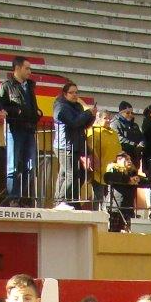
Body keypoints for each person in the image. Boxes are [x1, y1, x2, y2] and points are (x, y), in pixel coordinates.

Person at [0, 56, 41, 206]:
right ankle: (13, 198)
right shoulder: (6, 86)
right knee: (13, 166)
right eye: (27, 68)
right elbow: (0, 106)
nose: (30, 71)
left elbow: (31, 106)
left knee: (29, 167)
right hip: (14, 130)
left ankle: (23, 198)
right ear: (17, 68)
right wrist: (15, 112)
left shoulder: (29, 86)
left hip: (29, 130)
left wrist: (36, 114)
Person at [52, 80, 95, 209]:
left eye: (76, 92)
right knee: (71, 174)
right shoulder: (61, 106)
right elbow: (74, 122)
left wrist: (91, 116)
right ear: (65, 94)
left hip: (76, 143)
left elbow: (83, 124)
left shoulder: (77, 106)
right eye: (72, 93)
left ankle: (68, 200)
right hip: (65, 144)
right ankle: (63, 200)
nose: (75, 95)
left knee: (71, 174)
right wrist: (88, 113)